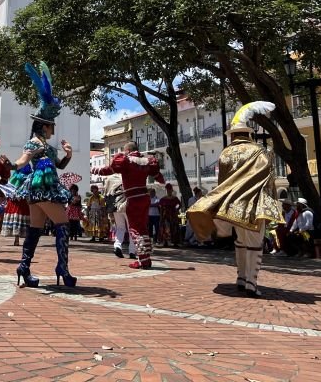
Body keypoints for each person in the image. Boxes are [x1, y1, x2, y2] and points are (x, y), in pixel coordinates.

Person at [187, 101, 283, 298]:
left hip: (233, 206)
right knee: (254, 244)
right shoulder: (259, 152)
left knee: (240, 242)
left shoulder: (225, 153)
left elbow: (223, 183)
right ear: (249, 134)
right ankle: (251, 282)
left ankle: (240, 278)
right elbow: (267, 179)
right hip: (255, 204)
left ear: (232, 136)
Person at [12, 61, 75, 288]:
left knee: (36, 229)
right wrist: (13, 166)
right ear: (44, 126)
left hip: (37, 194)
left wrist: (68, 155)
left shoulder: (46, 145)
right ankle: (63, 269)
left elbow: (59, 165)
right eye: (51, 125)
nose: (53, 129)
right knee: (63, 224)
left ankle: (24, 267)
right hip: (44, 191)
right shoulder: (34, 143)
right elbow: (23, 159)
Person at [98, 141, 164, 268]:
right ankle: (146, 258)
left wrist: (96, 170)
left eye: (124, 150)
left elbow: (110, 170)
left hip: (133, 198)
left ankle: (143, 260)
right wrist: (163, 182)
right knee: (143, 228)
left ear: (127, 150)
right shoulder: (146, 161)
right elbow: (157, 175)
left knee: (134, 229)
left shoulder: (126, 160)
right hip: (145, 197)